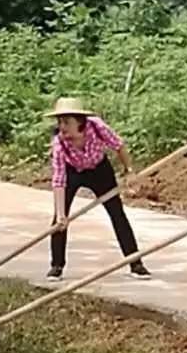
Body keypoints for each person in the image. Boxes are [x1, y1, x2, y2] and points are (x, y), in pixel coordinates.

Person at [45, 97, 150, 281]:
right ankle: (56, 265)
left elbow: (118, 145)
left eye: (67, 122)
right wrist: (61, 214)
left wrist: (129, 171)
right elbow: (59, 180)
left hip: (99, 170)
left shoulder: (96, 126)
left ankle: (135, 263)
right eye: (60, 122)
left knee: (117, 214)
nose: (62, 127)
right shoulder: (59, 143)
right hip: (73, 172)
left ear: (79, 121)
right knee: (59, 220)